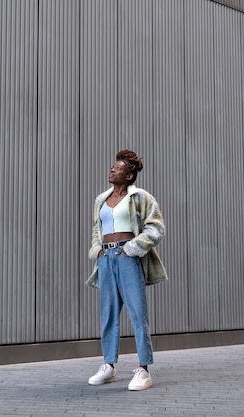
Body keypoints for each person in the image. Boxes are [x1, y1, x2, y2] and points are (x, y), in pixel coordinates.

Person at [86, 149, 168, 391]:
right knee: (108, 314)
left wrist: (132, 248)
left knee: (137, 312)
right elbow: (96, 229)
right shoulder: (101, 199)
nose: (112, 170)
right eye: (112, 167)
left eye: (118, 168)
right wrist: (96, 250)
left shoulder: (140, 197)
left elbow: (156, 228)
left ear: (129, 175)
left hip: (128, 255)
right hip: (106, 257)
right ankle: (109, 366)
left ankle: (143, 369)